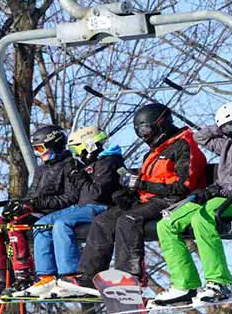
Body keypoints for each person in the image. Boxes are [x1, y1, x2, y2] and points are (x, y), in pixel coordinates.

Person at [49, 103, 207, 297]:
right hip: (148, 199)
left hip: (172, 200)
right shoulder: (155, 151)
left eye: (146, 130)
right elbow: (145, 182)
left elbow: (183, 186)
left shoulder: (184, 145)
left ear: (161, 124)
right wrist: (127, 193)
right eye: (139, 132)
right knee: (103, 221)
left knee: (128, 220)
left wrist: (141, 185)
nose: (143, 136)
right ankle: (88, 277)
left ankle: (131, 277)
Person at [153, 101, 232, 306]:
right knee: (167, 224)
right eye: (226, 129)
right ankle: (184, 285)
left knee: (202, 219)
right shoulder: (229, 144)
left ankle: (219, 282)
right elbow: (200, 137)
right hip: (217, 198)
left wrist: (222, 189)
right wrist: (221, 126)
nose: (229, 133)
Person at [14, 127, 124, 297]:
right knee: (41, 225)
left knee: (61, 224)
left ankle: (69, 275)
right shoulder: (89, 164)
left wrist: (78, 176)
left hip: (100, 207)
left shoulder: (108, 162)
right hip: (82, 207)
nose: (77, 154)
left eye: (77, 149)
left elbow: (97, 193)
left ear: (89, 145)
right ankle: (47, 276)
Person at [0, 125, 78, 295]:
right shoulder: (41, 169)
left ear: (54, 145)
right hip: (36, 209)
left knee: (15, 226)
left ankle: (24, 276)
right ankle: (1, 278)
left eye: (41, 148)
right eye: (35, 150)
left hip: (52, 212)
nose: (39, 153)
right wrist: (19, 205)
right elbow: (32, 194)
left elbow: (70, 198)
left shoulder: (69, 165)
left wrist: (35, 203)